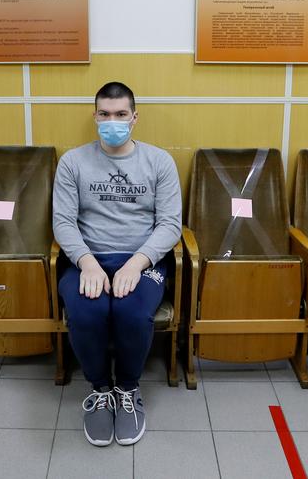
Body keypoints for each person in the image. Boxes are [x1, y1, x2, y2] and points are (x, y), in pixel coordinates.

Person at [53, 82, 181, 447]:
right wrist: (87, 263)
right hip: (87, 258)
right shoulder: (73, 162)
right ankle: (100, 390)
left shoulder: (159, 162)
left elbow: (170, 224)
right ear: (95, 117)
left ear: (134, 117)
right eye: (105, 114)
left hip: (140, 259)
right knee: (86, 313)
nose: (113, 122)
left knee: (131, 312)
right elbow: (63, 221)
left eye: (121, 114)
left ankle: (127, 389)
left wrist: (136, 264)